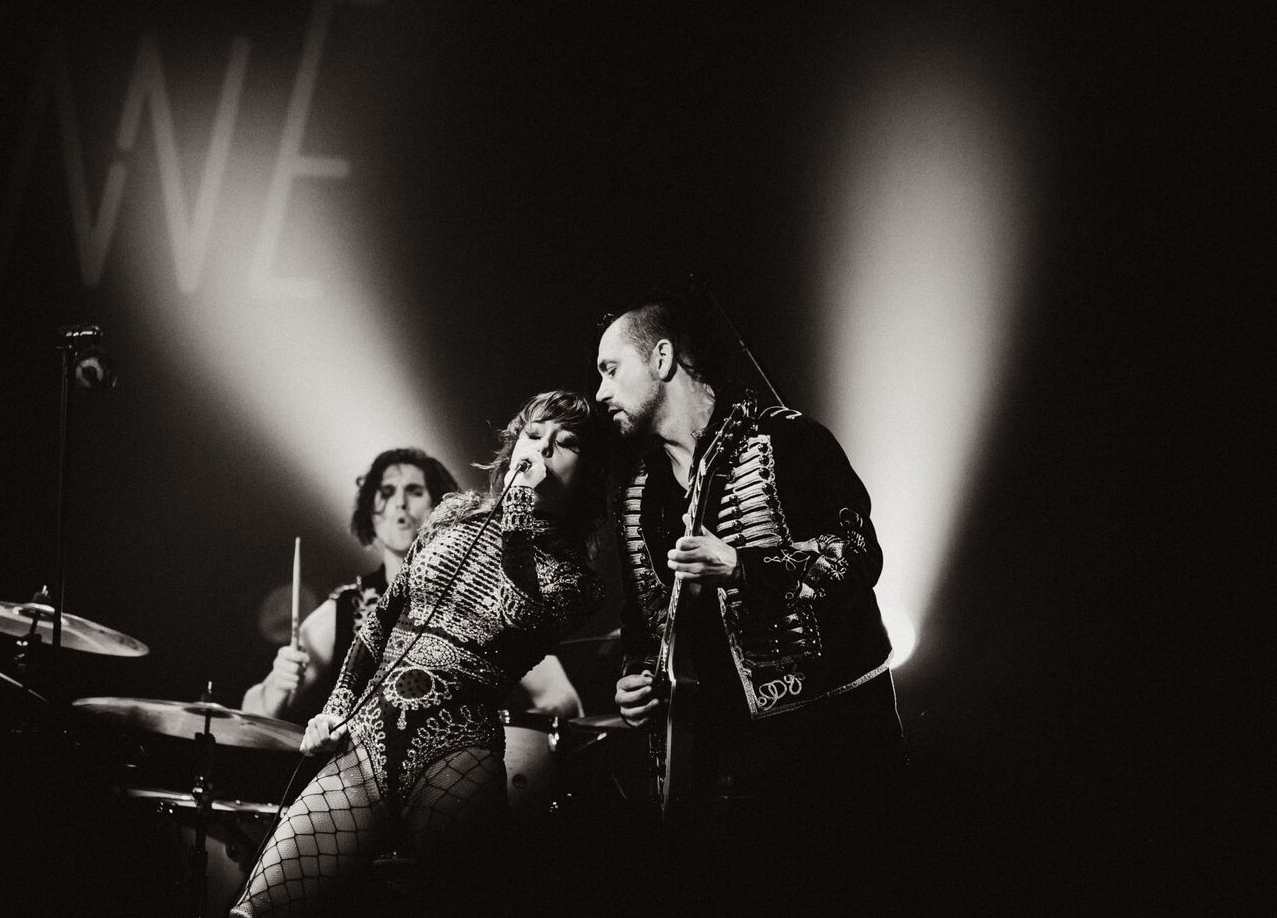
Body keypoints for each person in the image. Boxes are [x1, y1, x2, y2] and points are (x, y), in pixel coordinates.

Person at [231, 391, 608, 917]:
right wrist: (336, 707)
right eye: (533, 434)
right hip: (367, 741)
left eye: (563, 444)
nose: (541, 449)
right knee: (255, 909)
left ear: (586, 475)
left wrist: (519, 509)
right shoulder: (454, 513)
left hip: (456, 752)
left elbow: (519, 607)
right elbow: (384, 616)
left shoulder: (576, 580)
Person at [595, 297, 906, 912]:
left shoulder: (788, 439)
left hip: (833, 741)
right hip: (720, 759)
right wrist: (636, 679)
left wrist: (744, 566)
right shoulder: (638, 491)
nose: (600, 391)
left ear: (661, 359)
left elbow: (858, 553)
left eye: (610, 369)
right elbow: (642, 624)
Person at [241, 448, 583, 725]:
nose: (400, 503)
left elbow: (562, 699)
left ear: (441, 505)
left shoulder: (482, 595)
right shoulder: (344, 608)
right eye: (386, 492)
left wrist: (500, 734)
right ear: (370, 513)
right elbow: (251, 713)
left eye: (415, 491)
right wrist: (277, 685)